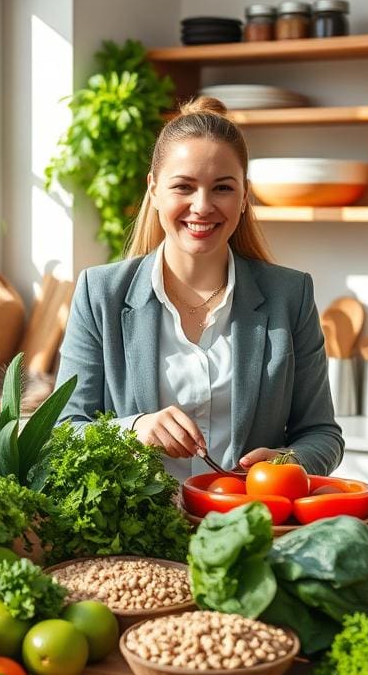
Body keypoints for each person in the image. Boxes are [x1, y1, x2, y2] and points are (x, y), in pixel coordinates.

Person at [54, 96, 344, 481]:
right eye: (184, 187)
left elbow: (322, 435)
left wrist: (287, 463)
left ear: (244, 197)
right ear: (154, 190)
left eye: (222, 188)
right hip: (135, 532)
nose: (203, 206)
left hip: (249, 524)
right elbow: (62, 430)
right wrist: (132, 429)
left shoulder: (290, 295)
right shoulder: (99, 294)